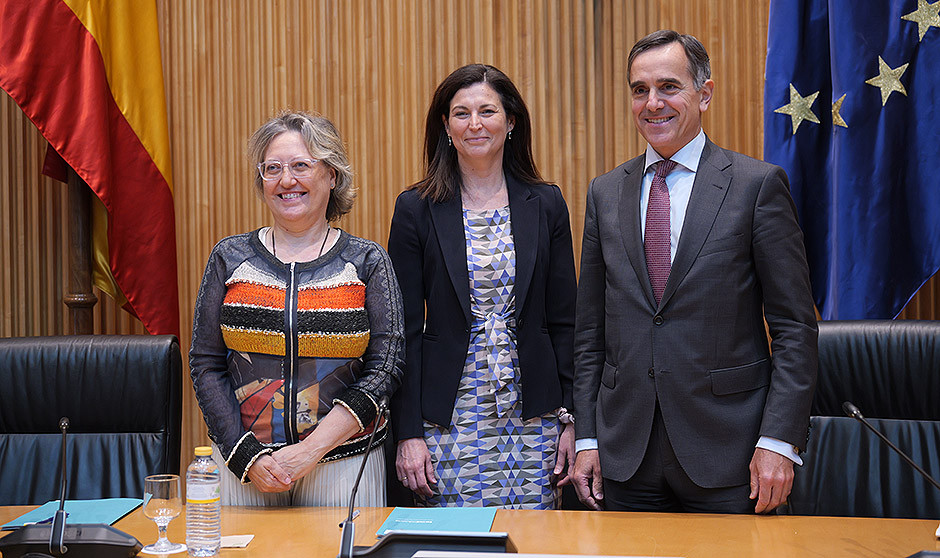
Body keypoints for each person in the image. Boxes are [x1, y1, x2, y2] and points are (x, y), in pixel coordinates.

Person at [572, 30, 818, 514]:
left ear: (703, 94)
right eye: (640, 89)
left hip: (733, 455)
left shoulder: (756, 186)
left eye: (669, 87)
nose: (652, 103)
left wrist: (779, 441)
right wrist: (587, 437)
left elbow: (794, 328)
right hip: (626, 457)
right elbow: (590, 334)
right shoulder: (605, 192)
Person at [189, 111, 404, 506]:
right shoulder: (230, 257)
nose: (287, 180)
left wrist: (311, 450)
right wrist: (244, 454)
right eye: (273, 168)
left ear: (332, 175)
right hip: (245, 467)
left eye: (302, 166)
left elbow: (385, 368)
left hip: (342, 462)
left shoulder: (367, 261)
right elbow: (205, 362)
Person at [387, 64, 578, 508]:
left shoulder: (545, 203)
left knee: (534, 544)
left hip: (534, 414)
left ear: (511, 122)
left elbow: (566, 322)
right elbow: (403, 332)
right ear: (446, 127)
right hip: (448, 415)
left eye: (487, 111)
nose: (474, 124)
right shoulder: (416, 208)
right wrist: (408, 432)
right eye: (461, 113)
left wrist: (573, 421)